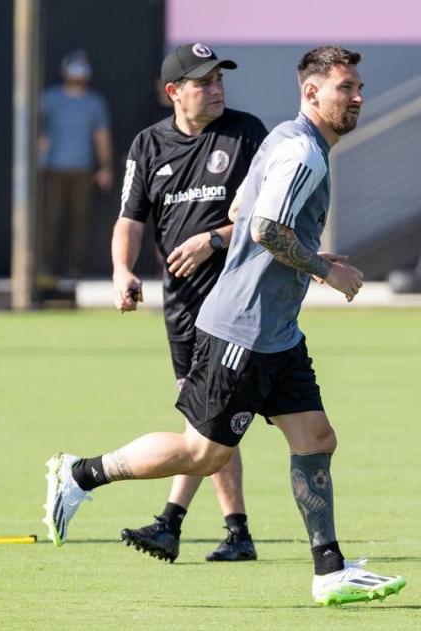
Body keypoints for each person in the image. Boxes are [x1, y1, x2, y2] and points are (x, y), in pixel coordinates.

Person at [44, 45, 406, 606]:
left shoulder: (283, 137)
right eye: (345, 89)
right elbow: (263, 227)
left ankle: (330, 569)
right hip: (242, 331)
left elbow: (240, 210)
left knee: (317, 439)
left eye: (359, 86)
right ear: (312, 92)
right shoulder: (302, 154)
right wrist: (321, 271)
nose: (358, 97)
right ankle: (82, 474)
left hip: (277, 333)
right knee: (203, 454)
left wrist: (311, 252)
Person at [111, 43, 268, 563]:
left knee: (209, 422)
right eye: (204, 82)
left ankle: (176, 522)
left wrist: (215, 239)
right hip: (181, 308)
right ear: (174, 92)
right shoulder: (147, 145)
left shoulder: (247, 134)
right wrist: (122, 269)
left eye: (220, 78)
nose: (218, 88)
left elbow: (269, 215)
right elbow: (130, 219)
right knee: (209, 423)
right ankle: (231, 531)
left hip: (240, 301)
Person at [39, 50, 113, 279]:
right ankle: (44, 268)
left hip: (83, 169)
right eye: (75, 67)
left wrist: (105, 167)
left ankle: (74, 269)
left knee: (79, 221)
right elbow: (35, 130)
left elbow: (101, 136)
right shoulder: (49, 99)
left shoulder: (94, 103)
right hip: (52, 169)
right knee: (50, 219)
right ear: (64, 70)